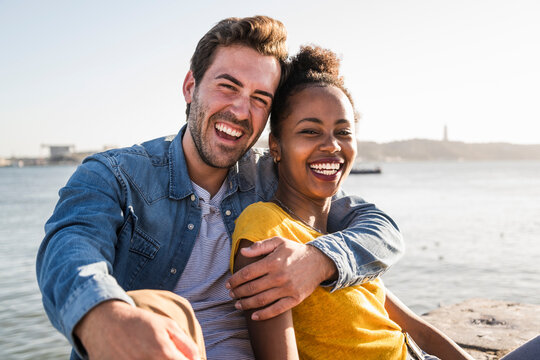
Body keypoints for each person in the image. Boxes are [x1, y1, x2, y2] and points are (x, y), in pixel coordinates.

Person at [36, 16, 403, 360]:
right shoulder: (116, 175)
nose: (241, 111)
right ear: (190, 87)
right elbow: (69, 248)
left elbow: (379, 228)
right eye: (228, 86)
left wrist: (319, 260)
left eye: (260, 99)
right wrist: (103, 315)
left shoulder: (269, 176)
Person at [230, 45, 474, 360]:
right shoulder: (264, 226)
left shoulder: (339, 236)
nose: (331, 145)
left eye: (343, 132)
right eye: (310, 131)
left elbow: (417, 331)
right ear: (276, 146)